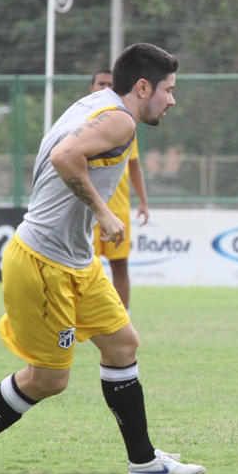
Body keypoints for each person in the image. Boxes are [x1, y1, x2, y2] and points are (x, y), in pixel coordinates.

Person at [0, 43, 205, 474]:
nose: (172, 100)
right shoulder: (120, 119)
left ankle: (144, 462)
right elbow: (63, 156)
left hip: (76, 262)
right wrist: (103, 213)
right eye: (168, 90)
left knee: (122, 344)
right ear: (143, 87)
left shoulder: (95, 105)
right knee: (47, 381)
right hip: (43, 263)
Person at [89, 69, 150, 313]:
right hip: (90, 208)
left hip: (118, 207)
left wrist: (143, 201)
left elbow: (134, 165)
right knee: (84, 266)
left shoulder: (125, 122)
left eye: (110, 84)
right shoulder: (84, 121)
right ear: (92, 87)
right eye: (100, 83)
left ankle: (123, 317)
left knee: (120, 265)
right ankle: (82, 317)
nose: (105, 87)